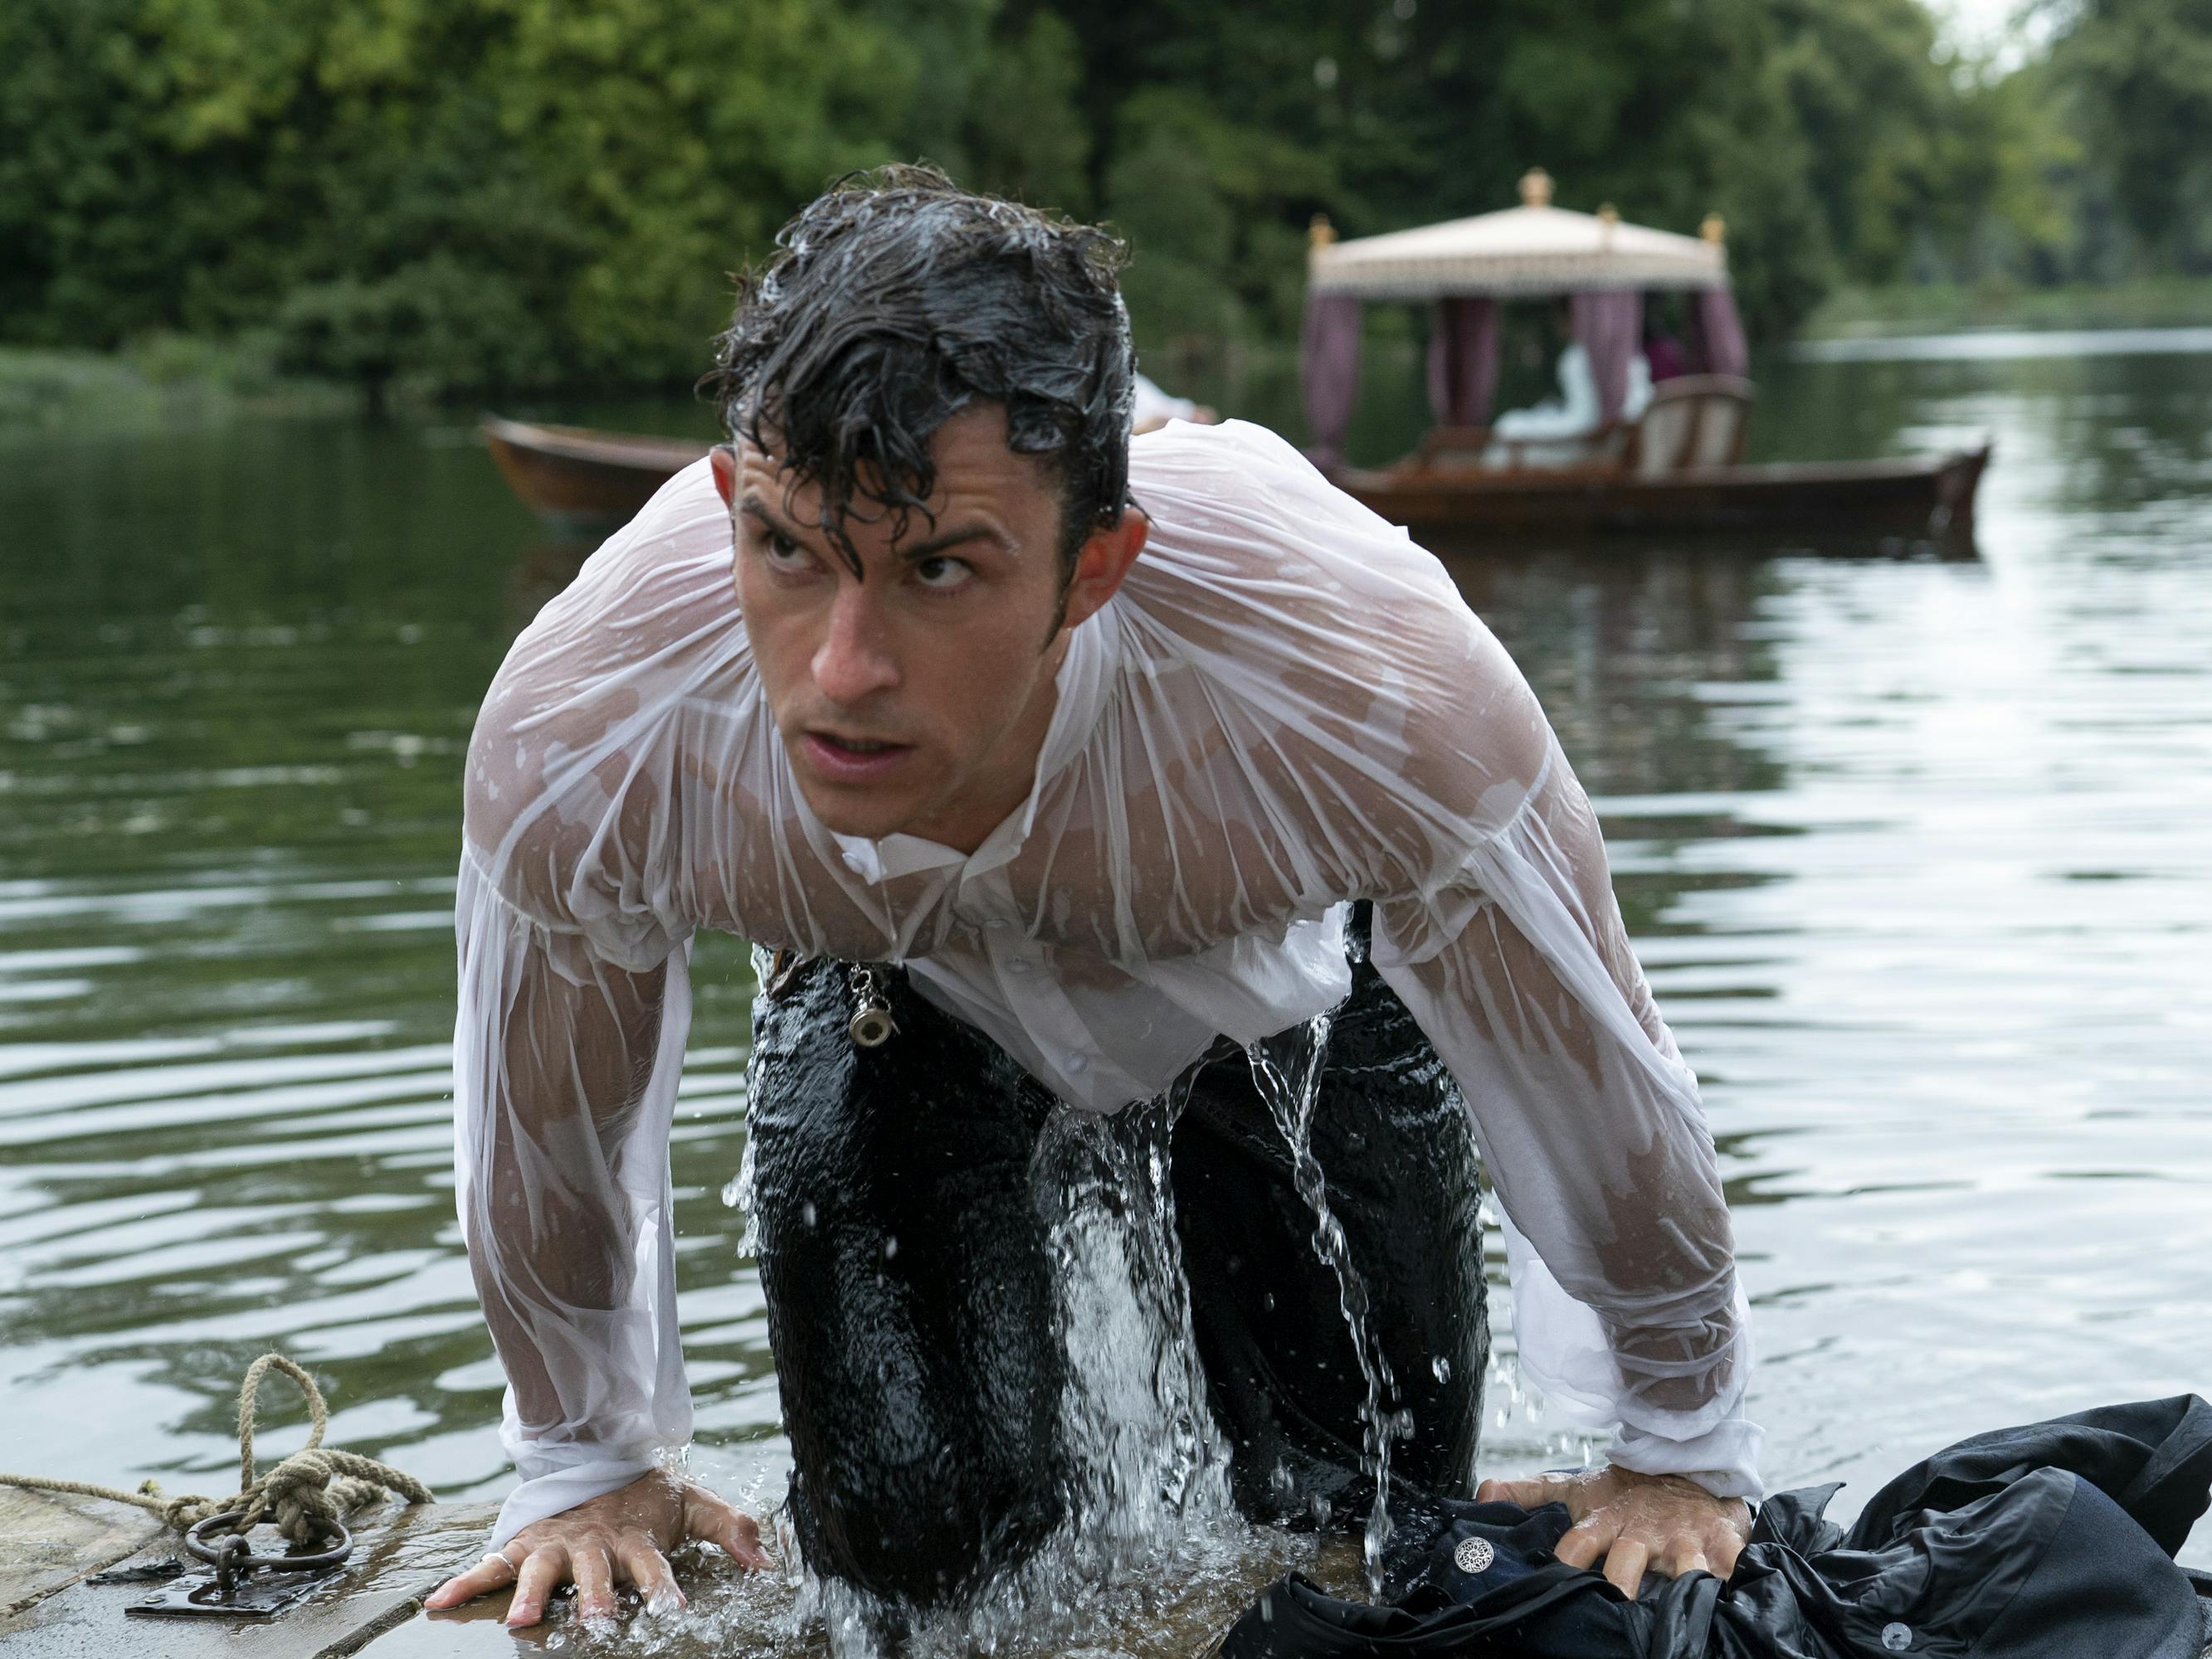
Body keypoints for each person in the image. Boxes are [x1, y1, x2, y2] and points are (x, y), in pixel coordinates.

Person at [425, 167, 1760, 1632]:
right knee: (915, 1557)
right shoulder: (594, 717)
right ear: (729, 498)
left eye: (941, 567)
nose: (843, 672)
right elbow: (544, 1116)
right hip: (893, 991)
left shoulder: (1364, 678)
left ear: (1095, 568)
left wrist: (1675, 1450)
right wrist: (587, 1461)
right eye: (791, 551)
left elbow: (1593, 1068)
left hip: (1289, 989)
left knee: (1373, 1533)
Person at [1489, 300, 1652, 466]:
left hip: (1590, 440)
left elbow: (1586, 420)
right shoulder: (1626, 357)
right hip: (1615, 436)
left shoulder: (1581, 356)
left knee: (1509, 427)